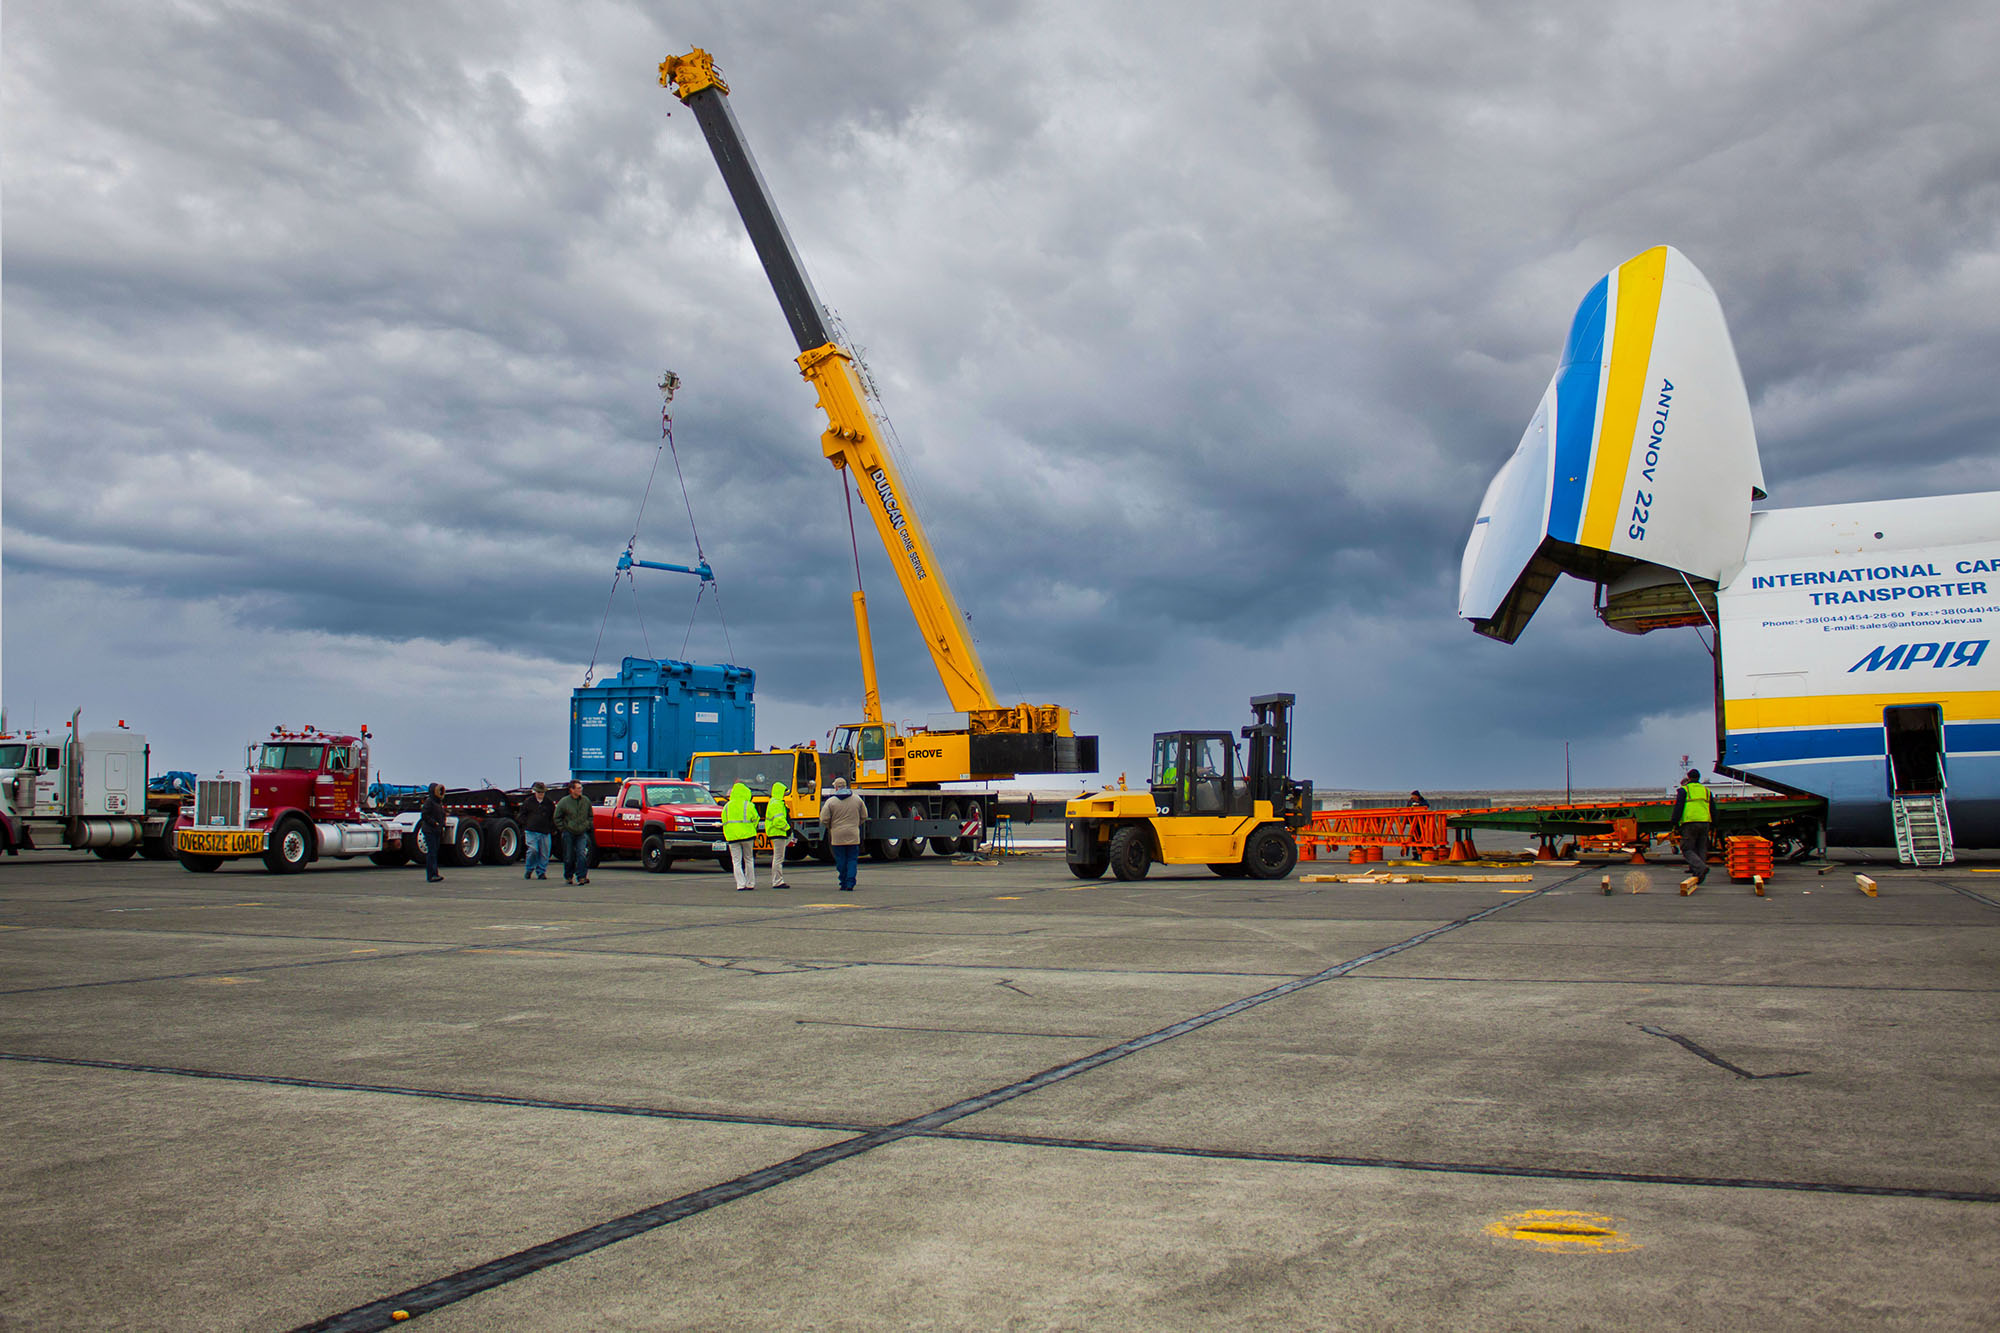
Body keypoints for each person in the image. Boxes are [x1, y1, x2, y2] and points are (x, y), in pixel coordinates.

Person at [821, 776, 866, 891]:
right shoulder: (857, 799)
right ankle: (850, 882)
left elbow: (824, 819)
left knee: (841, 859)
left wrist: (831, 826)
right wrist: (856, 824)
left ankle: (843, 881)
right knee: (852, 859)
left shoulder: (830, 802)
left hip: (837, 835)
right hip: (853, 834)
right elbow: (864, 816)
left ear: (836, 787)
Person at [1671, 768, 1713, 887]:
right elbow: (1713, 808)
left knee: (1687, 848)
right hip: (1705, 822)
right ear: (1699, 777)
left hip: (1690, 823)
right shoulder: (1706, 791)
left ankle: (1701, 867)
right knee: (1701, 848)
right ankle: (1699, 875)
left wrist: (1674, 821)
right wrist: (1713, 823)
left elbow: (1678, 807)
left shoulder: (1684, 790)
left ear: (1688, 778)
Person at [554, 779, 594, 885]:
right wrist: (563, 828)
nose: (581, 790)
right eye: (578, 788)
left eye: (581, 788)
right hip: (568, 832)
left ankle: (581, 877)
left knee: (581, 854)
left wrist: (587, 825)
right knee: (569, 855)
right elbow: (557, 817)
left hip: (581, 832)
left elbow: (590, 816)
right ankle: (568, 876)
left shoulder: (586, 801)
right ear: (571, 790)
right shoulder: (564, 802)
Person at [722, 781, 759, 891]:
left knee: (736, 861)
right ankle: (750, 883)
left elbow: (724, 821)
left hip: (732, 837)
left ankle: (740, 884)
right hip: (748, 836)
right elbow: (755, 819)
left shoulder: (727, 806)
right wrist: (753, 829)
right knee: (749, 859)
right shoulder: (749, 805)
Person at [519, 781, 554, 880]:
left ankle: (541, 872)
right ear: (535, 792)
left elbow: (553, 816)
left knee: (544, 854)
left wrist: (551, 828)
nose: (541, 794)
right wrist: (526, 824)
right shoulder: (528, 802)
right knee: (533, 850)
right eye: (539, 792)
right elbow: (522, 814)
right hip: (531, 831)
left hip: (545, 832)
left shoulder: (549, 803)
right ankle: (529, 869)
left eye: (542, 792)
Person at [766, 779, 793, 889]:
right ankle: (777, 881)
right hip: (778, 833)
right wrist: (787, 828)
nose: (785, 794)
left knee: (777, 858)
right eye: (784, 792)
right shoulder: (777, 803)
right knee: (778, 858)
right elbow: (778, 820)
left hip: (775, 833)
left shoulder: (773, 802)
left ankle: (777, 880)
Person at [419, 782, 447, 883]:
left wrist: (442, 825)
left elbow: (442, 816)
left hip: (437, 831)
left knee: (434, 852)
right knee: (432, 853)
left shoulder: (438, 803)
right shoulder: (429, 802)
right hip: (430, 830)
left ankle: (435, 873)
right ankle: (431, 875)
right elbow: (424, 815)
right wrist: (434, 823)